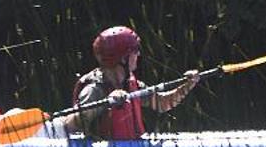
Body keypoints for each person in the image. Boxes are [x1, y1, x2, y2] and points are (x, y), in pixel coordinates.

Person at [66, 26, 200, 139]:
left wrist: (187, 85)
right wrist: (108, 101)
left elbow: (162, 104)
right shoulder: (95, 90)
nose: (138, 55)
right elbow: (71, 126)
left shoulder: (131, 84)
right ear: (122, 58)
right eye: (134, 51)